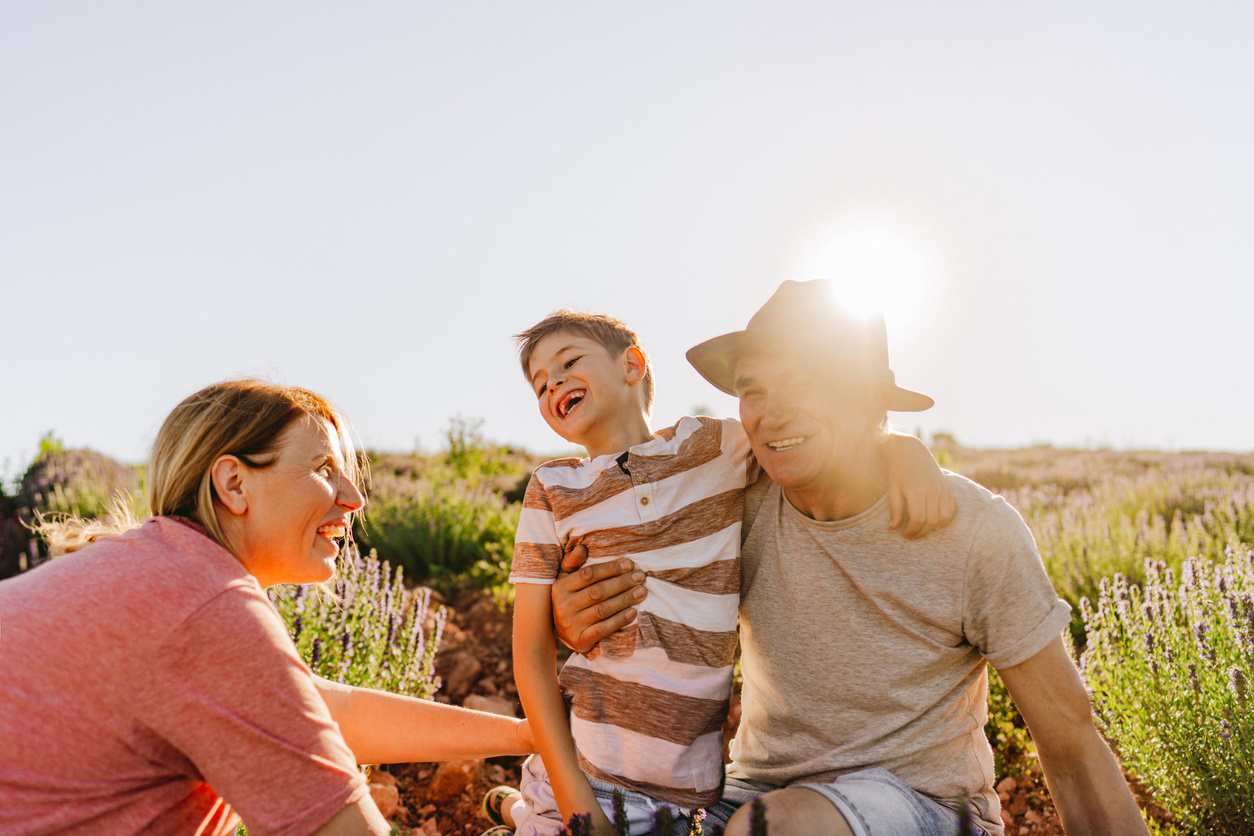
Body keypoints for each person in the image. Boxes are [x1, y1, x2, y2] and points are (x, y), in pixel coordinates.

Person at [550, 281, 1149, 836]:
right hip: (754, 793)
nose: (769, 413)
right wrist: (572, 614)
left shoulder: (973, 533)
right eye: (753, 391)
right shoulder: (734, 505)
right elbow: (621, 565)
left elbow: (1071, 746)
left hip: (927, 808)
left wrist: (896, 448)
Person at [0, 380, 535, 835]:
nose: (355, 497)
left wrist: (526, 736)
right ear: (233, 482)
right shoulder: (205, 606)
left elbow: (325, 713)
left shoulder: (147, 568)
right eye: (325, 468)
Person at [492, 310, 950, 836]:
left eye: (569, 362)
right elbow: (528, 652)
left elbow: (812, 438)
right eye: (540, 385)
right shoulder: (551, 489)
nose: (555, 385)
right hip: (580, 776)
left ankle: (512, 815)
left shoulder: (715, 449)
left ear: (633, 366)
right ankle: (527, 813)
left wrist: (902, 449)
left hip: (683, 798)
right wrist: (575, 806)